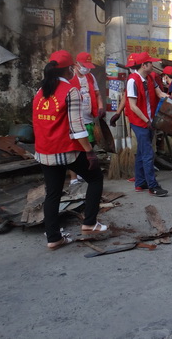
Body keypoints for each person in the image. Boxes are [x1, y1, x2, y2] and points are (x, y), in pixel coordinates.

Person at [32, 50, 107, 250]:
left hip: (44, 150)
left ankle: (54, 238)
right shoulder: (70, 90)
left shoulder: (40, 91)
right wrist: (89, 151)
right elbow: (76, 127)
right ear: (69, 69)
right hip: (65, 149)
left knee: (52, 193)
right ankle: (89, 223)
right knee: (95, 178)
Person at [122, 52, 169, 196]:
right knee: (148, 153)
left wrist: (170, 99)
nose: (153, 65)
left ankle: (140, 182)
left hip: (149, 119)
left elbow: (159, 93)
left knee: (142, 152)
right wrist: (146, 120)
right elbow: (133, 106)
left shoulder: (150, 78)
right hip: (139, 121)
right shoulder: (132, 81)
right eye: (150, 63)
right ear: (144, 65)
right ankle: (153, 186)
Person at [68, 52, 105, 186]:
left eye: (88, 66)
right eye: (84, 66)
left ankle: (82, 173)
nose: (86, 69)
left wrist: (100, 107)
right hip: (75, 119)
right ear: (76, 64)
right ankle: (73, 178)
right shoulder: (70, 77)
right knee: (75, 148)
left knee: (89, 145)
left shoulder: (90, 76)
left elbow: (97, 94)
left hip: (89, 117)